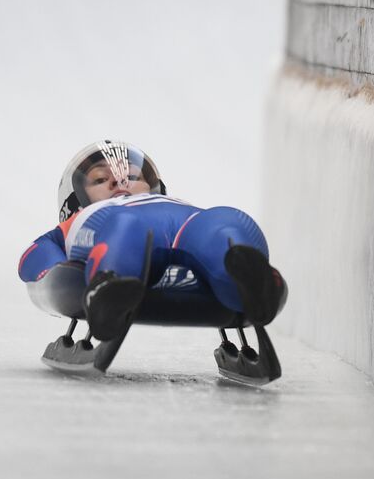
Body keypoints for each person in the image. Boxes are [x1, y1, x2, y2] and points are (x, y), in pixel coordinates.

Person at [18, 139, 284, 341]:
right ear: (74, 200)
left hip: (189, 221)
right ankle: (112, 288)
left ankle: (249, 283)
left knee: (222, 223)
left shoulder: (172, 202)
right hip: (113, 224)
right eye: (100, 179)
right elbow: (35, 254)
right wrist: (56, 273)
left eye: (133, 176)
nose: (119, 182)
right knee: (125, 226)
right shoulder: (75, 222)